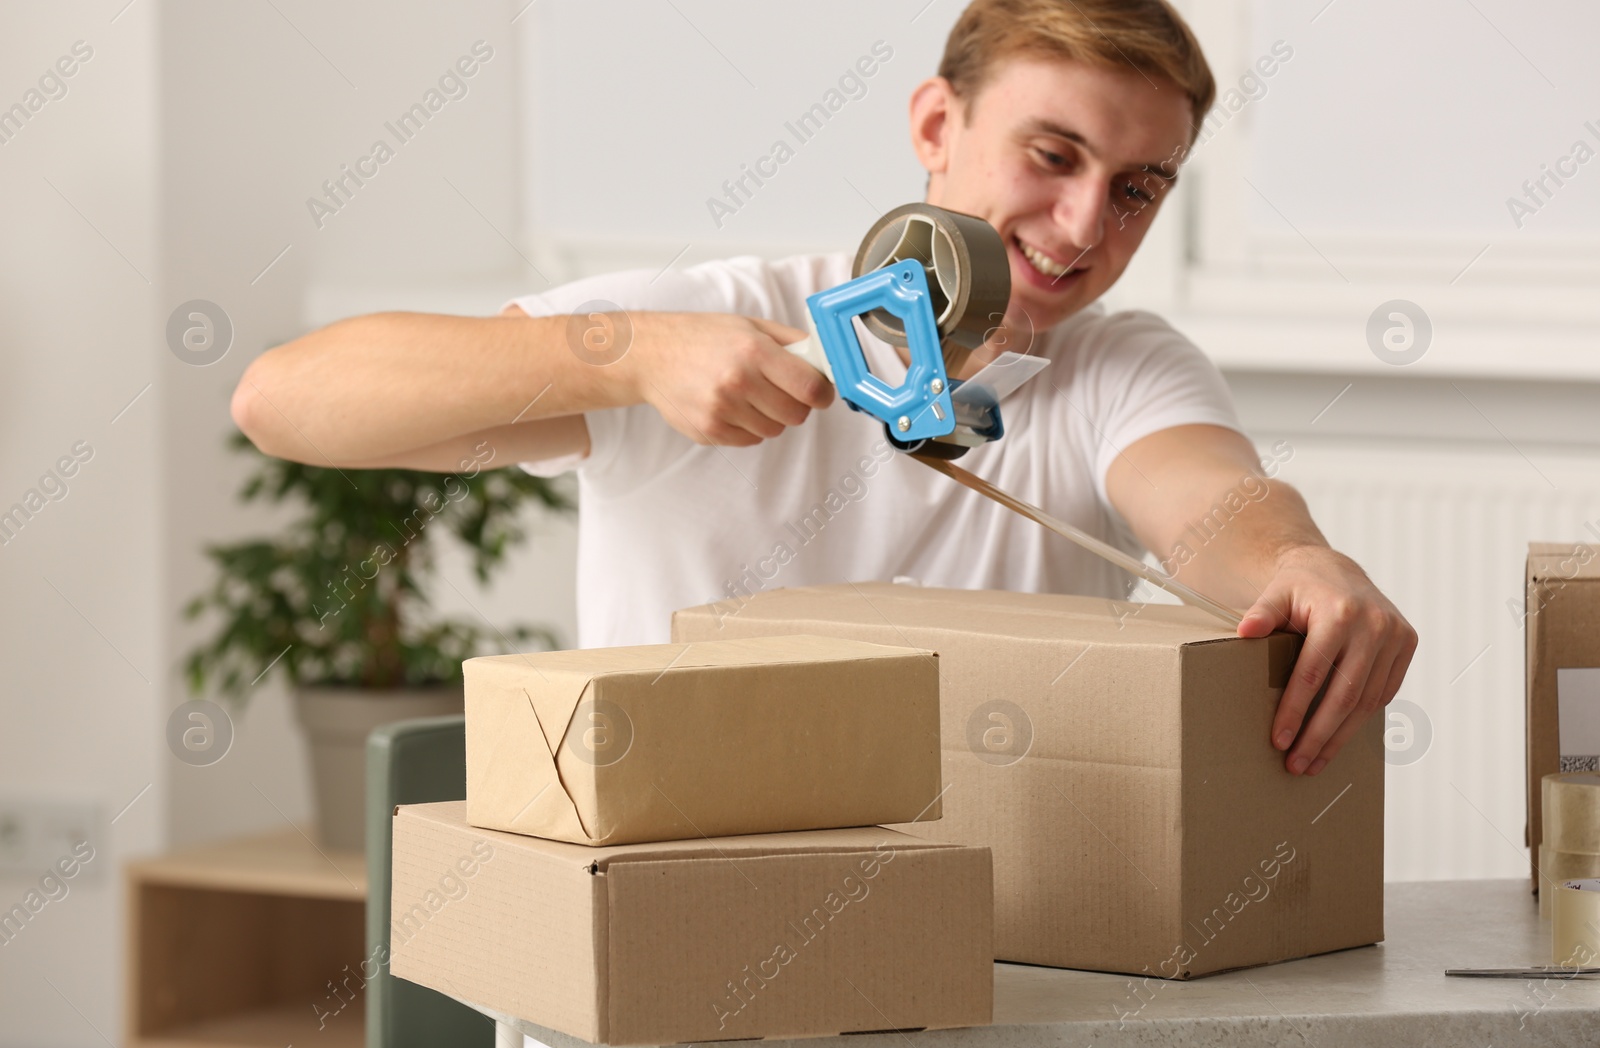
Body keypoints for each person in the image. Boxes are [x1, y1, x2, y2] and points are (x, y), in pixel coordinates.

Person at [233, 0, 1416, 789]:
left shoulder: (1122, 364)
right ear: (935, 124)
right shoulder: (704, 316)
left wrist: (1295, 564)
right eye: (1051, 157)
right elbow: (285, 400)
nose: (1080, 229)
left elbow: (1213, 505)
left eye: (1136, 189)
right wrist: (626, 356)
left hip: (985, 926)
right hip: (662, 899)